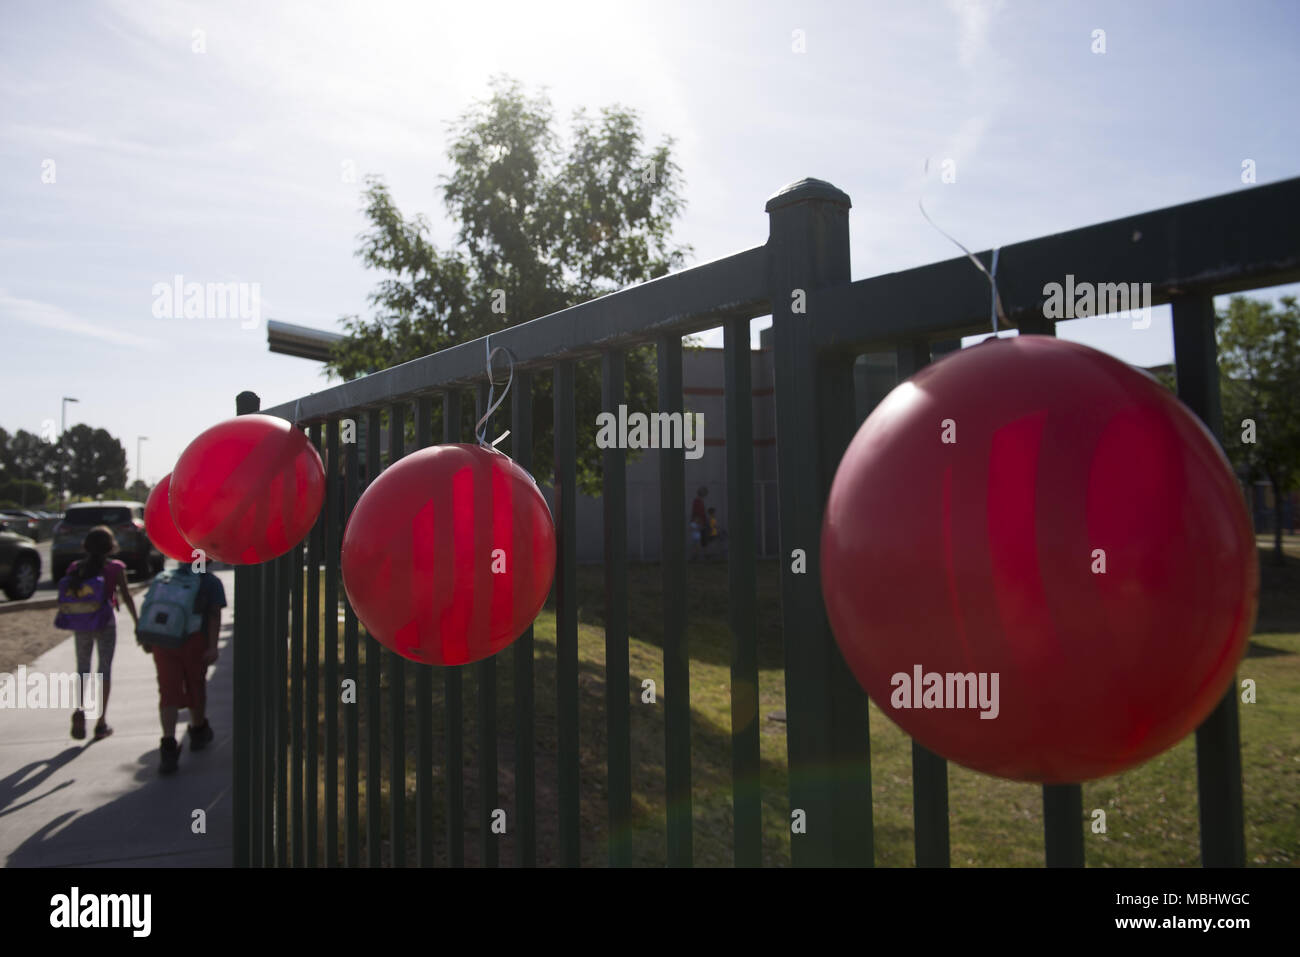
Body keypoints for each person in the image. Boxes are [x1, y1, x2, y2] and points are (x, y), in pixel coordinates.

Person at [139, 562, 225, 774]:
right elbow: (214, 615)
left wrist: (148, 637)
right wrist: (213, 646)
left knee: (168, 691)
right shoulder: (210, 582)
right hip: (194, 641)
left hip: (164, 640)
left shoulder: (164, 578)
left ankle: (168, 743)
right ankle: (198, 730)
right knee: (195, 685)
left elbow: (150, 607)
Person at [64, 526, 138, 740]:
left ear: (85, 546)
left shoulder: (75, 567)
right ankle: (101, 722)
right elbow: (126, 595)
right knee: (104, 669)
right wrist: (137, 622)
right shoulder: (115, 568)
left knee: (82, 668)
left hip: (82, 624)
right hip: (105, 623)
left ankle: (80, 710)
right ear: (111, 546)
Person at [689, 487, 708, 560]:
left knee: (699, 539)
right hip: (698, 522)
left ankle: (697, 555)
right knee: (698, 539)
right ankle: (696, 556)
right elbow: (698, 513)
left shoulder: (699, 501)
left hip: (697, 522)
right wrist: (700, 524)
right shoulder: (698, 501)